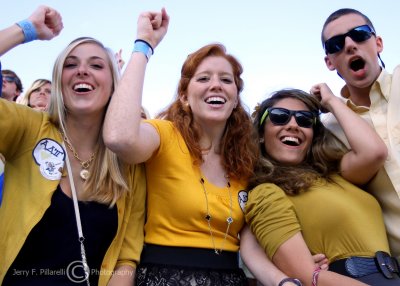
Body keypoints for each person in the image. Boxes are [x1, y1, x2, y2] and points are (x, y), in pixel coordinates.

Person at [103, 8, 314, 286]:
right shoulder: (164, 135)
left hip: (229, 278)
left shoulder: (243, 161)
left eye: (226, 80)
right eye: (203, 79)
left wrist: (284, 282)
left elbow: (248, 246)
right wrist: (144, 45)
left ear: (235, 98)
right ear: (184, 96)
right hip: (165, 277)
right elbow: (119, 137)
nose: (216, 85)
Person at [0, 6, 146, 285]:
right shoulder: (28, 128)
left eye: (96, 65)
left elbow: (127, 257)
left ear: (114, 83)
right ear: (58, 80)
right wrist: (26, 29)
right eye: (70, 64)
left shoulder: (128, 160)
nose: (82, 71)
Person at [245, 86, 400, 285]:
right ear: (260, 133)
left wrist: (331, 101)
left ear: (314, 135)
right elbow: (306, 276)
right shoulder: (265, 193)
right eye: (279, 116)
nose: (293, 124)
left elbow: (374, 152)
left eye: (304, 119)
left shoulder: (336, 176)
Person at [320, 8, 400, 260]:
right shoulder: (330, 129)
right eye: (336, 44)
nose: (350, 45)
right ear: (330, 62)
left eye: (359, 34)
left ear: (378, 43)